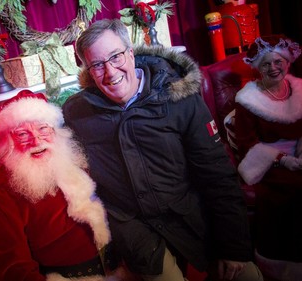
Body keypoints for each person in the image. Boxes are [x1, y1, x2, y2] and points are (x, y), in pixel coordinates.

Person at [62, 18, 263, 281]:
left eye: (116, 57)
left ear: (131, 53)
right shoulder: (77, 112)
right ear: (88, 70)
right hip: (136, 229)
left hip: (190, 214)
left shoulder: (178, 97)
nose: (110, 72)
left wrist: (234, 247)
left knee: (247, 276)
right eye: (97, 65)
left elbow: (217, 175)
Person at [0, 90, 111, 281]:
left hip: (120, 263)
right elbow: (11, 265)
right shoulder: (2, 187)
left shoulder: (76, 157)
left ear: (55, 130)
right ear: (8, 143)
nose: (36, 140)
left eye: (43, 128)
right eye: (22, 134)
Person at [234, 35, 302, 280]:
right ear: (257, 68)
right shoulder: (247, 100)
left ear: (287, 61)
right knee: (293, 189)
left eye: (278, 62)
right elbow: (247, 144)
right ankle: (287, 267)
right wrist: (282, 158)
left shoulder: (299, 88)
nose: (273, 68)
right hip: (269, 164)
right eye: (266, 64)